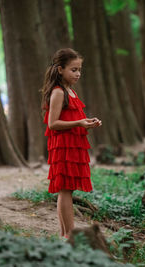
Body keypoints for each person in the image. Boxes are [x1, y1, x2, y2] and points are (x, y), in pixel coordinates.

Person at [40, 48, 102, 239]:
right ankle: (69, 234)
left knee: (68, 189)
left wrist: (87, 123)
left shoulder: (70, 92)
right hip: (63, 147)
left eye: (79, 70)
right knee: (65, 189)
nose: (78, 74)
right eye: (73, 70)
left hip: (73, 145)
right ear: (60, 69)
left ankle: (65, 233)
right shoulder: (58, 92)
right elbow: (53, 123)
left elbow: (73, 117)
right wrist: (78, 123)